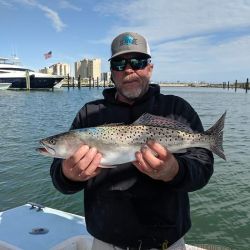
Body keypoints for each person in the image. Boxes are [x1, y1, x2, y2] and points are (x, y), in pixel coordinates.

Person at [50, 32, 214, 250]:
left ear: (150, 68)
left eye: (138, 62)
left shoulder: (177, 108)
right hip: (105, 240)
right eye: (119, 63)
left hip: (167, 241)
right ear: (111, 73)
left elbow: (203, 166)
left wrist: (176, 171)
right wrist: (68, 175)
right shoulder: (89, 114)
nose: (129, 69)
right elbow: (60, 180)